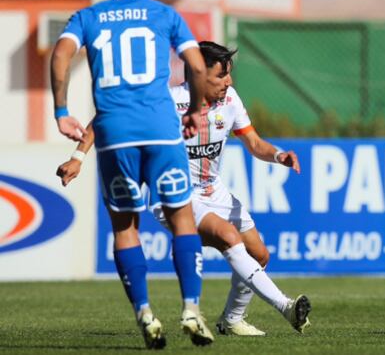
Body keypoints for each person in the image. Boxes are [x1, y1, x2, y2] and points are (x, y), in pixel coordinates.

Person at [57, 41, 312, 337]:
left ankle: (231, 319)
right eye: (221, 76)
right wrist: (77, 157)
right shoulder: (166, 101)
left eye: (229, 75)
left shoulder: (230, 100)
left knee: (259, 255)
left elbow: (254, 143)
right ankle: (286, 307)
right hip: (175, 194)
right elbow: (107, 116)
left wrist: (279, 155)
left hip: (214, 191)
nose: (228, 82)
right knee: (228, 236)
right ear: (197, 74)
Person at [50, 0, 213, 348]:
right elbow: (195, 66)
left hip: (115, 135)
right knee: (182, 220)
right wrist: (195, 110)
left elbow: (60, 54)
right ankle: (191, 309)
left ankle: (145, 313)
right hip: (161, 131)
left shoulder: (87, 17)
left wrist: (61, 109)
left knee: (125, 227)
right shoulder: (165, 14)